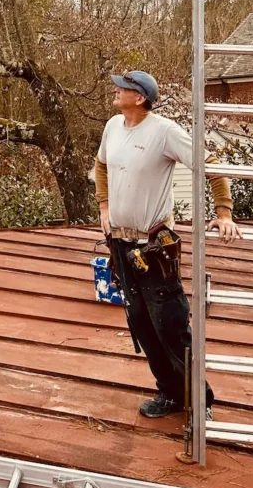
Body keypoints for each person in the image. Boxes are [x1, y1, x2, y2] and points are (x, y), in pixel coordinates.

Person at [93, 70, 241, 419]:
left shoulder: (163, 132)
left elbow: (211, 165)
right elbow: (101, 166)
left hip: (153, 248)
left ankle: (199, 401)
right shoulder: (113, 126)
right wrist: (103, 204)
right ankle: (170, 394)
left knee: (172, 327)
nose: (116, 90)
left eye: (123, 87)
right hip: (121, 244)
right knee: (142, 326)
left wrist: (224, 212)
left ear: (140, 97)